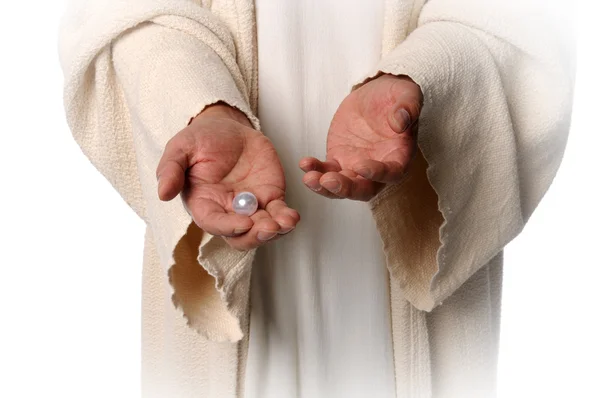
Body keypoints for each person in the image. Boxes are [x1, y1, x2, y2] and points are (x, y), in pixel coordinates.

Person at [58, 0, 575, 397]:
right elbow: (125, 14)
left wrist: (424, 79)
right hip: (239, 243)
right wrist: (203, 105)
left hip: (410, 229)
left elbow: (518, 17)